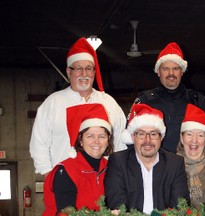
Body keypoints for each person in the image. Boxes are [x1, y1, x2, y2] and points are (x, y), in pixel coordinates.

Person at [29, 37, 127, 177]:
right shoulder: (53, 103)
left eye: (88, 68)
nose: (84, 74)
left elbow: (120, 143)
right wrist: (50, 177)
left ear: (94, 72)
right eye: (78, 69)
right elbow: (38, 145)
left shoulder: (108, 102)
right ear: (69, 72)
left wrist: (116, 177)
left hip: (103, 182)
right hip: (65, 182)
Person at [125, 42, 205, 156]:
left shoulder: (197, 100)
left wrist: (201, 162)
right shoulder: (145, 100)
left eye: (175, 68)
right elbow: (130, 135)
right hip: (155, 169)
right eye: (166, 69)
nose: (171, 73)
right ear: (158, 72)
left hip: (189, 170)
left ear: (182, 72)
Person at [104, 104, 190, 215]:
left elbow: (180, 206)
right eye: (141, 134)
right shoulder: (118, 161)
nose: (147, 140)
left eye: (153, 134)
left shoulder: (174, 163)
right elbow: (117, 204)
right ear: (132, 137)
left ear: (161, 137)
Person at [43, 103, 113, 215]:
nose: (96, 141)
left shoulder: (111, 167)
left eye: (101, 136)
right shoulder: (66, 171)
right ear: (80, 140)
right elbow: (66, 213)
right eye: (90, 136)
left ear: (108, 140)